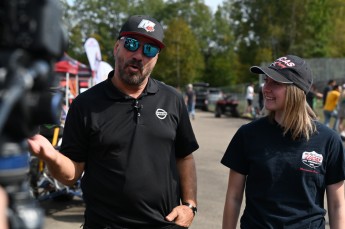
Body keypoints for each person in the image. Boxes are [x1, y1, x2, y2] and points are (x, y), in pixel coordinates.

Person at [28, 15, 199, 229]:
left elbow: (185, 156)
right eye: (132, 44)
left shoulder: (172, 99)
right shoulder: (86, 104)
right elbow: (71, 175)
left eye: (149, 50)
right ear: (117, 47)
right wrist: (50, 155)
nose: (138, 55)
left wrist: (190, 205)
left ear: (156, 58)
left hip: (165, 224)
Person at [221, 55, 345, 228]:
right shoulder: (248, 134)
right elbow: (233, 197)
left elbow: (337, 205)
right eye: (266, 80)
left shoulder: (329, 141)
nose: (266, 88)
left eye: (276, 83)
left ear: (296, 90)